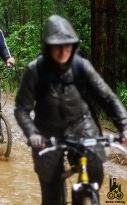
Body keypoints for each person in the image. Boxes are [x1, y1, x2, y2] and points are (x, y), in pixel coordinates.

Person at [14, 15, 127, 205]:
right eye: (56, 46)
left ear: (73, 45)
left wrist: (124, 126)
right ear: (47, 46)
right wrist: (32, 133)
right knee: (51, 191)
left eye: (67, 46)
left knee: (95, 172)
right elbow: (21, 109)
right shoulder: (35, 70)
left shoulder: (81, 65)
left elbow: (108, 98)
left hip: (82, 125)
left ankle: (87, 196)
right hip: (47, 132)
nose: (62, 51)